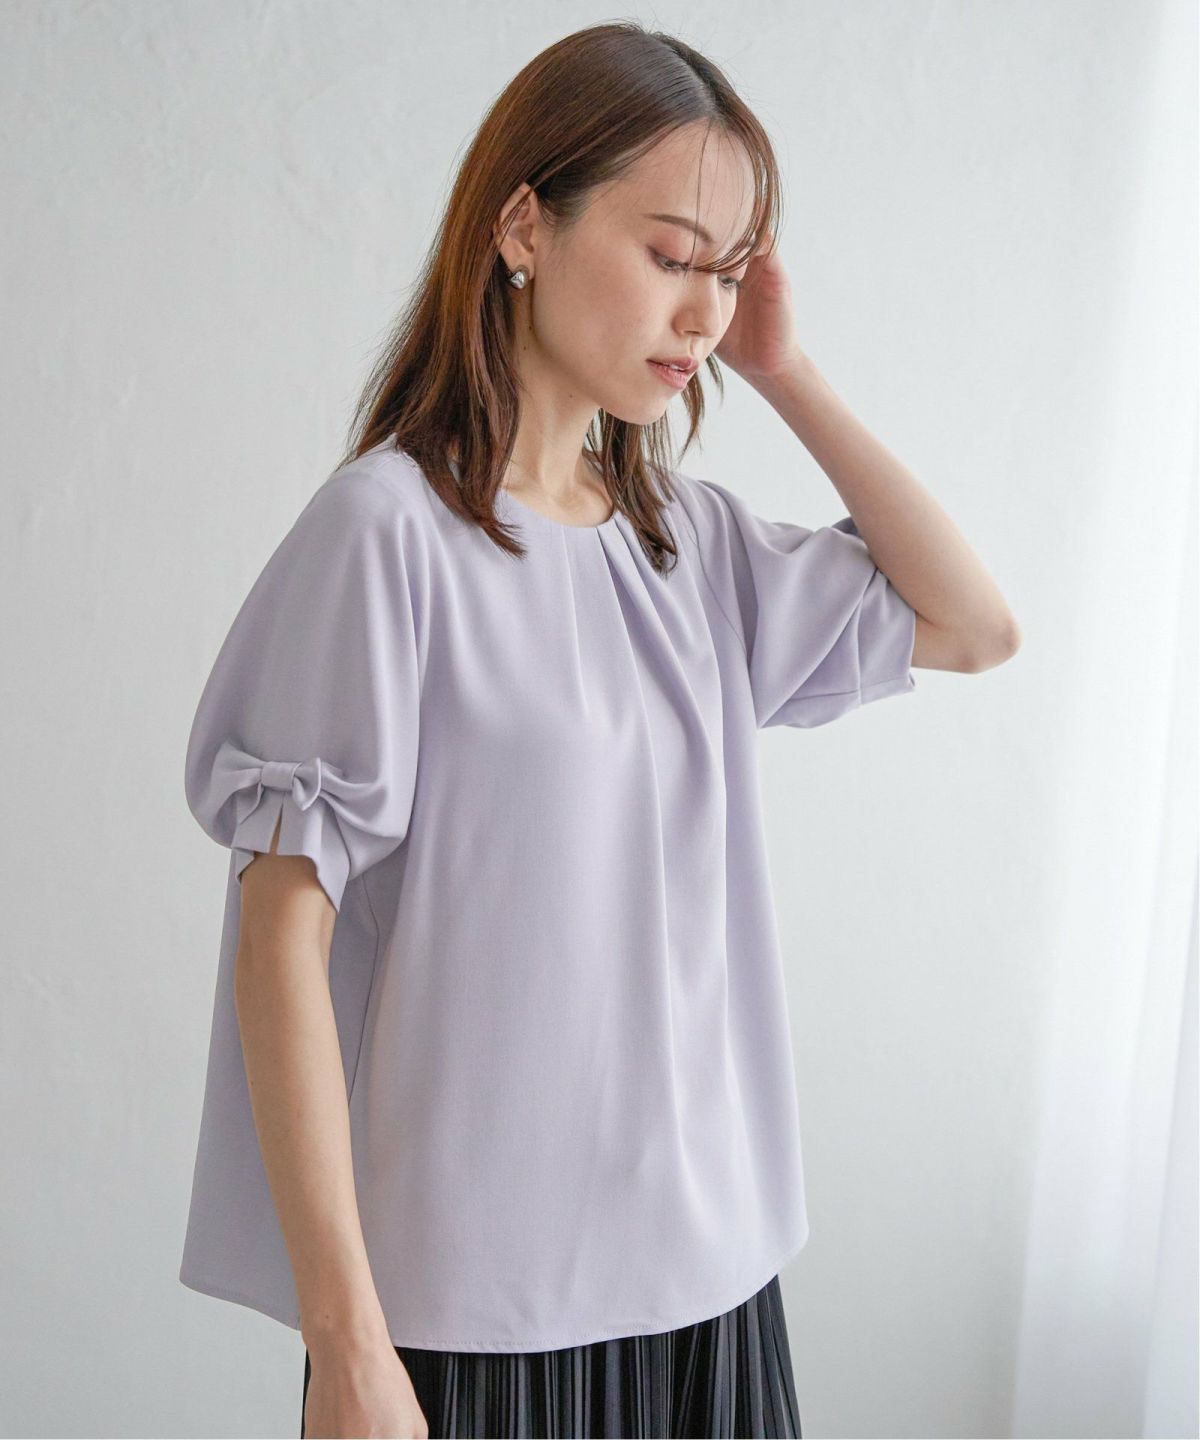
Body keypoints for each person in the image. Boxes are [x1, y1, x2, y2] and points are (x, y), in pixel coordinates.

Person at [179, 21, 1020, 1440]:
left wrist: (787, 373)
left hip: (713, 1290)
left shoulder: (686, 545)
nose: (704, 313)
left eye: (730, 273)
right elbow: (280, 941)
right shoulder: (389, 536)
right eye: (673, 254)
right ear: (524, 225)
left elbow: (975, 625)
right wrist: (347, 1343)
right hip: (474, 1317)